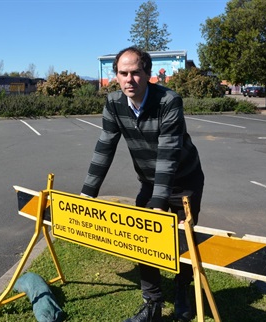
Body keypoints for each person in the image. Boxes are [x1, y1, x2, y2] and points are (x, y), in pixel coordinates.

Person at [81, 46, 204, 322]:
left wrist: (159, 204)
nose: (129, 79)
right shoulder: (114, 103)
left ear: (148, 74)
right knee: (144, 240)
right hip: (150, 181)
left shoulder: (168, 101)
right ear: (116, 76)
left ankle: (183, 290)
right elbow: (104, 147)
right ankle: (153, 304)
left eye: (135, 72)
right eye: (123, 73)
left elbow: (168, 152)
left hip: (185, 181)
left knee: (183, 240)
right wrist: (87, 194)